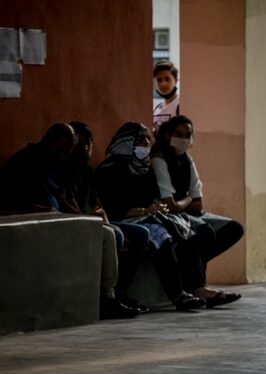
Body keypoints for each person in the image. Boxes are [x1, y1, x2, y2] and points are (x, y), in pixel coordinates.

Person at [0, 123, 138, 319]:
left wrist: (83, 217)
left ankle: (110, 294)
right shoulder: (26, 161)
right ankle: (107, 297)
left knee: (109, 231)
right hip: (35, 217)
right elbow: (12, 197)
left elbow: (65, 199)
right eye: (66, 148)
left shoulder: (55, 162)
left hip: (58, 217)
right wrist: (37, 209)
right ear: (57, 142)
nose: (67, 153)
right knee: (107, 235)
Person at [95, 122, 226, 310]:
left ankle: (196, 287)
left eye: (149, 138)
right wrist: (145, 211)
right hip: (123, 218)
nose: (147, 142)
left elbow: (153, 198)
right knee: (159, 234)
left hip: (145, 216)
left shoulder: (144, 168)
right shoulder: (110, 169)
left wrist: (155, 208)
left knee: (189, 232)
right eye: (141, 139)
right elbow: (113, 207)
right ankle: (177, 295)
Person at [150, 114, 242, 306]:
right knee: (204, 233)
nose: (184, 138)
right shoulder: (159, 159)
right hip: (171, 215)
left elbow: (198, 202)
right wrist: (188, 200)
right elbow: (170, 205)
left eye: (188, 134)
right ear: (168, 135)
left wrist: (186, 201)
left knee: (233, 229)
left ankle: (193, 279)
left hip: (190, 213)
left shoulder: (186, 160)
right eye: (179, 134)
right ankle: (198, 287)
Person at [66, 121, 151, 313]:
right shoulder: (105, 169)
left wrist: (103, 219)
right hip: (79, 220)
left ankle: (122, 291)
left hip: (97, 219)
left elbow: (98, 204)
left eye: (89, 143)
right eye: (81, 143)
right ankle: (107, 295)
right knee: (117, 234)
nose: (86, 148)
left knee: (141, 234)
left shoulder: (87, 171)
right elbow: (67, 204)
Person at [152, 59, 180, 132]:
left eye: (167, 79)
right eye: (159, 80)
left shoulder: (181, 104)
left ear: (176, 80)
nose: (163, 84)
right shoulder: (156, 109)